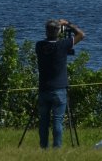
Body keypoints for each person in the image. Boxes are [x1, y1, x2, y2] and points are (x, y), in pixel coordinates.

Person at [35, 18, 85, 149]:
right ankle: (57, 148)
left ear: (46, 32)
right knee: (57, 121)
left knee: (43, 121)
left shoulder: (39, 46)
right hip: (59, 89)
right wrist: (67, 24)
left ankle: (43, 147)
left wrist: (55, 30)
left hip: (44, 88)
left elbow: (48, 40)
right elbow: (81, 35)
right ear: (58, 32)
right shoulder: (63, 45)